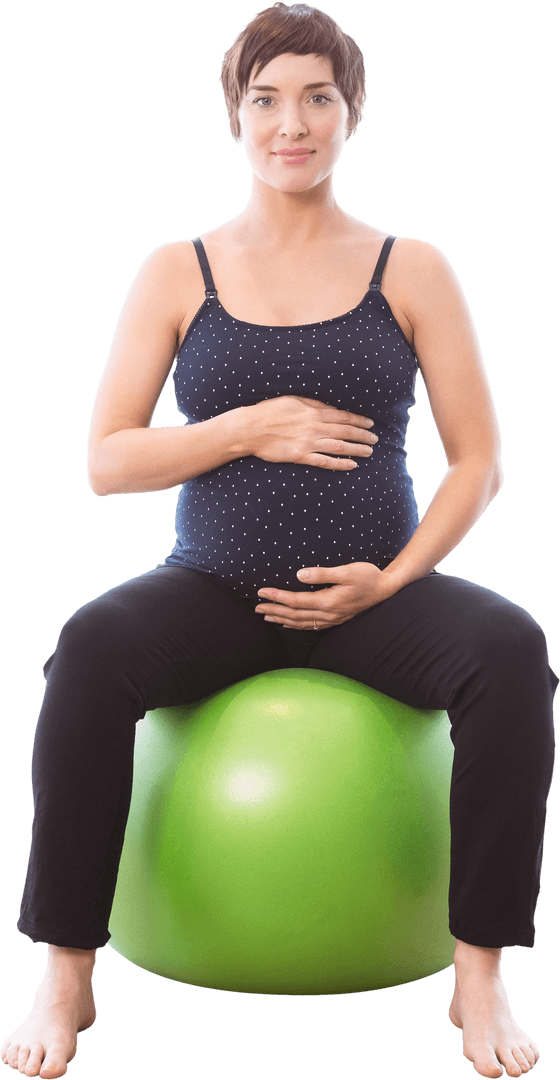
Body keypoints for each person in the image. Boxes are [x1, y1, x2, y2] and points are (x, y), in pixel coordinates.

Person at [1, 4, 557, 1078]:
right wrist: (246, 427)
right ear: (234, 118)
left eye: (316, 98)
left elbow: (478, 461)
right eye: (264, 100)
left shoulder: (412, 268)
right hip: (210, 586)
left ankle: (477, 974)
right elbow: (105, 459)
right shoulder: (177, 269)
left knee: (507, 649)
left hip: (371, 590)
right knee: (85, 647)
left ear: (350, 116)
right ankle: (66, 976)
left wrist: (390, 580)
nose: (289, 123)